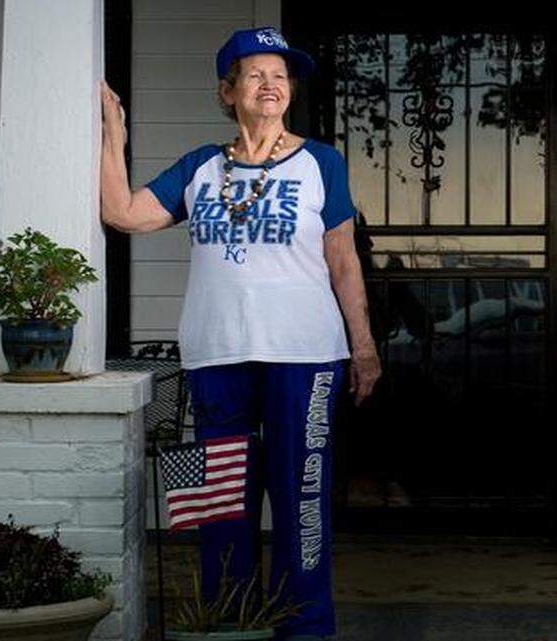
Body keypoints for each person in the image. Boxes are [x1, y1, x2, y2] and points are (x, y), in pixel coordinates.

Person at [99, 26, 382, 641]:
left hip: (306, 356)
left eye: (281, 76)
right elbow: (122, 214)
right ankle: (229, 620)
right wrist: (113, 133)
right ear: (228, 91)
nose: (271, 85)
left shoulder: (320, 162)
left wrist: (363, 346)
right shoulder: (200, 166)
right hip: (217, 355)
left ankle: (303, 629)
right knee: (221, 500)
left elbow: (342, 258)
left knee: (300, 497)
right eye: (255, 74)